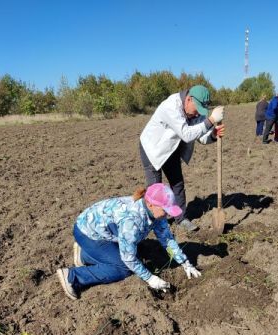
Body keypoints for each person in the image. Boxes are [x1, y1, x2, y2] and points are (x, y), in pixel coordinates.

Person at [56, 183, 201, 300]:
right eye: (165, 209)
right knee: (123, 268)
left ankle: (84, 255)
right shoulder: (132, 221)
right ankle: (73, 276)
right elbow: (128, 258)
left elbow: (167, 239)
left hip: (103, 231)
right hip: (87, 232)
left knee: (137, 251)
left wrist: (185, 263)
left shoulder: (157, 215)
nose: (168, 213)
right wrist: (150, 278)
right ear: (151, 204)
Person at [139, 85, 225, 232]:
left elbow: (201, 136)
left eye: (201, 111)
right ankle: (152, 222)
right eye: (197, 108)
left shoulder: (196, 112)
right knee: (155, 190)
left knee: (177, 184)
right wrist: (210, 120)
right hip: (152, 149)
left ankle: (181, 218)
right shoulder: (170, 106)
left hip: (172, 148)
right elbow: (186, 134)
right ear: (188, 99)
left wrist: (212, 135)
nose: (198, 113)